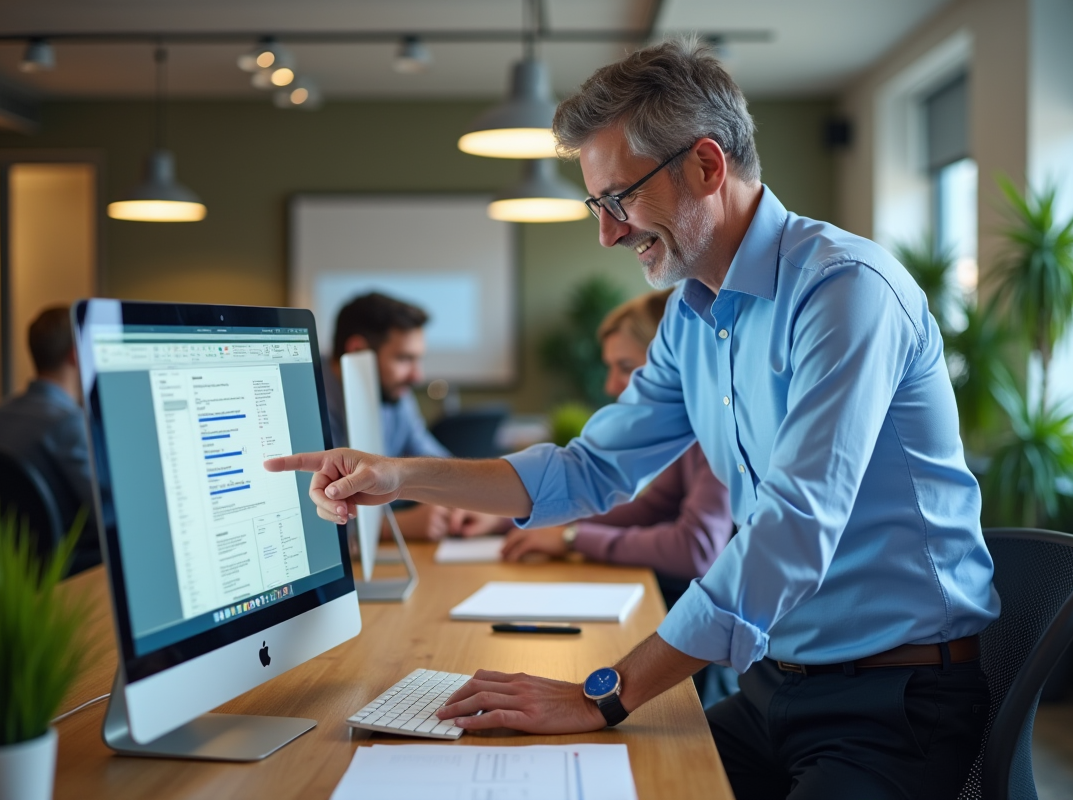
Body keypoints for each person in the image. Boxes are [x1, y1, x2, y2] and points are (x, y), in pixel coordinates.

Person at [268, 39, 999, 800]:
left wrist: (602, 693)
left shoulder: (844, 292)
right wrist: (400, 476)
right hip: (773, 688)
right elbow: (591, 469)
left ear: (708, 166)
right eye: (599, 205)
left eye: (620, 198)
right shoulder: (693, 314)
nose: (608, 233)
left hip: (893, 707)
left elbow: (793, 528)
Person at [501, 288, 732, 598]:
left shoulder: (721, 427)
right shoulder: (689, 430)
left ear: (671, 359)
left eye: (625, 367)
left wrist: (572, 538)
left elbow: (696, 548)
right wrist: (513, 521)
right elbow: (653, 509)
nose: (611, 386)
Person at [325, 291, 504, 541]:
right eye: (404, 359)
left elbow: (440, 468)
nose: (417, 376)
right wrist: (394, 526)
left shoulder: (396, 397)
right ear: (357, 350)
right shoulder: (306, 402)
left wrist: (481, 507)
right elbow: (303, 521)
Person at [0, 306, 101, 574]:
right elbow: (107, 515)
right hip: (68, 569)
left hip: (11, 569)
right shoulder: (69, 423)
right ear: (75, 355)